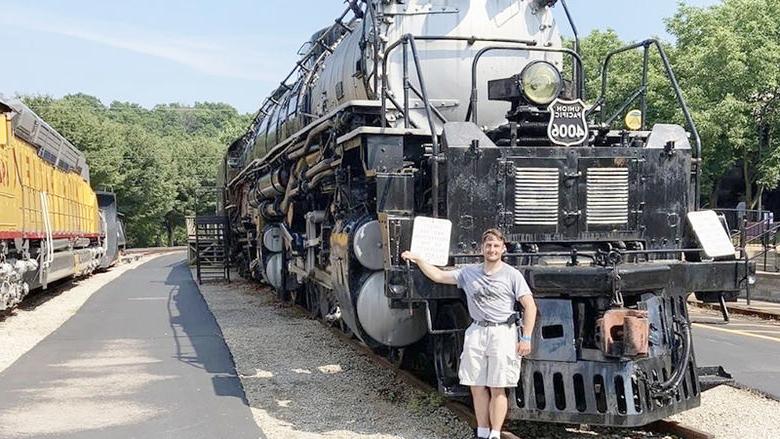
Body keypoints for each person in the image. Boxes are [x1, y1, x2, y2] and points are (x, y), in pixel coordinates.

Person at [401, 228, 537, 439]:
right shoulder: (468, 272)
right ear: (482, 248)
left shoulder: (513, 275)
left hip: (502, 332)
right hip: (477, 331)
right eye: (488, 246)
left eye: (496, 246)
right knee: (476, 385)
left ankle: (495, 433)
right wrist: (419, 259)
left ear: (503, 249)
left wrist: (526, 337)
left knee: (498, 386)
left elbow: (530, 306)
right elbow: (438, 275)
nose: (492, 249)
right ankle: (482, 431)